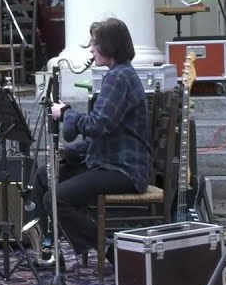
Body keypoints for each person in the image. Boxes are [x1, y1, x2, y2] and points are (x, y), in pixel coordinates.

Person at [37, 18, 153, 269]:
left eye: (95, 44)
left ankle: (110, 250)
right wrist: (68, 152)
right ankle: (48, 248)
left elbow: (98, 125)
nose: (91, 49)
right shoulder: (117, 75)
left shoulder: (119, 78)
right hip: (107, 161)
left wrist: (67, 113)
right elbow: (102, 134)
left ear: (110, 46)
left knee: (55, 198)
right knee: (43, 175)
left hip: (124, 169)